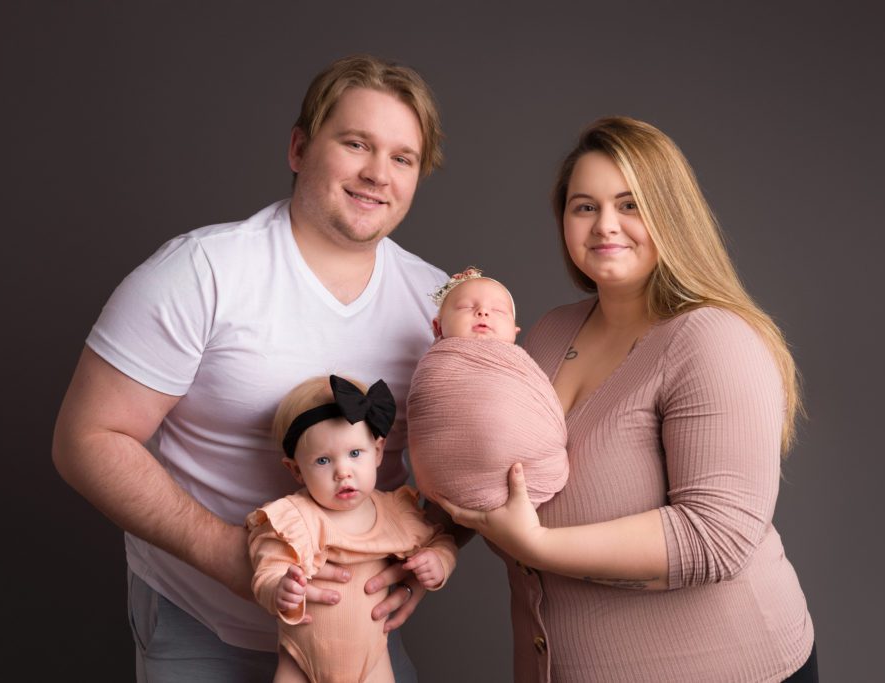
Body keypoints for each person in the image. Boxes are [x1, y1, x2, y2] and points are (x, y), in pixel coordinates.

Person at [51, 54, 449, 682]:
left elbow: (486, 458)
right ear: (298, 147)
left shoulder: (438, 306)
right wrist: (239, 563)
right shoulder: (201, 272)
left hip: (359, 631)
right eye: (355, 144)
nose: (378, 174)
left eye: (402, 158)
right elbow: (86, 440)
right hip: (199, 621)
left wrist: (437, 551)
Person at [435, 117, 817, 682]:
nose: (604, 225)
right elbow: (493, 471)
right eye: (584, 206)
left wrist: (537, 546)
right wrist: (430, 539)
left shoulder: (714, 340)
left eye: (630, 204)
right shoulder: (546, 334)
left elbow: (717, 538)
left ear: (671, 214)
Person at [248, 375, 457, 683]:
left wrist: (438, 561)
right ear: (296, 470)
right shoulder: (295, 518)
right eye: (322, 460)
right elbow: (266, 572)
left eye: (355, 454)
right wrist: (280, 588)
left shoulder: (395, 513)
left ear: (378, 451)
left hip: (371, 662)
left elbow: (442, 541)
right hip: (300, 662)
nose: (342, 471)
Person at [407, 268, 569, 511]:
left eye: (498, 311)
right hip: (448, 478)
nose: (482, 312)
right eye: (464, 307)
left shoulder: (519, 363)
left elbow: (544, 402)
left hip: (533, 474)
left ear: (514, 333)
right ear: (438, 328)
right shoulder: (436, 364)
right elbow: (424, 411)